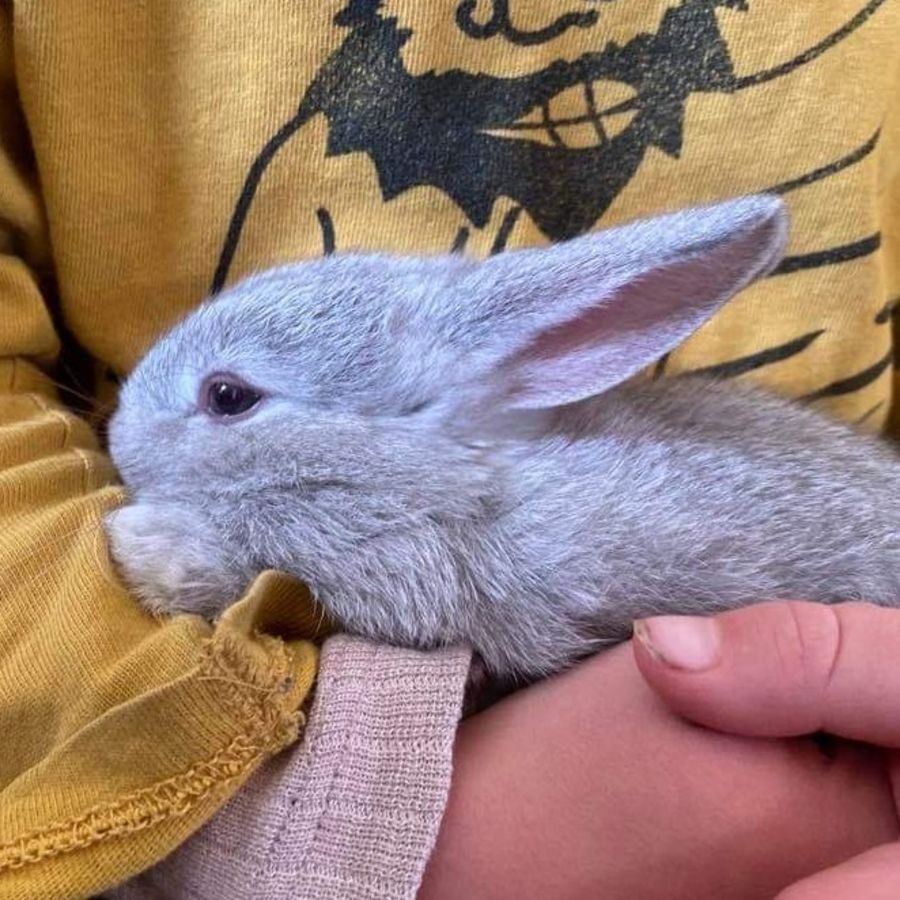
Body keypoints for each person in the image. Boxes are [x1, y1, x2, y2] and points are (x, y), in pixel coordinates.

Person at [0, 2, 896, 897]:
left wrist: (205, 562)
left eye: (229, 399)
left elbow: (412, 580)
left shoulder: (479, 507)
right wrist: (354, 821)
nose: (126, 432)